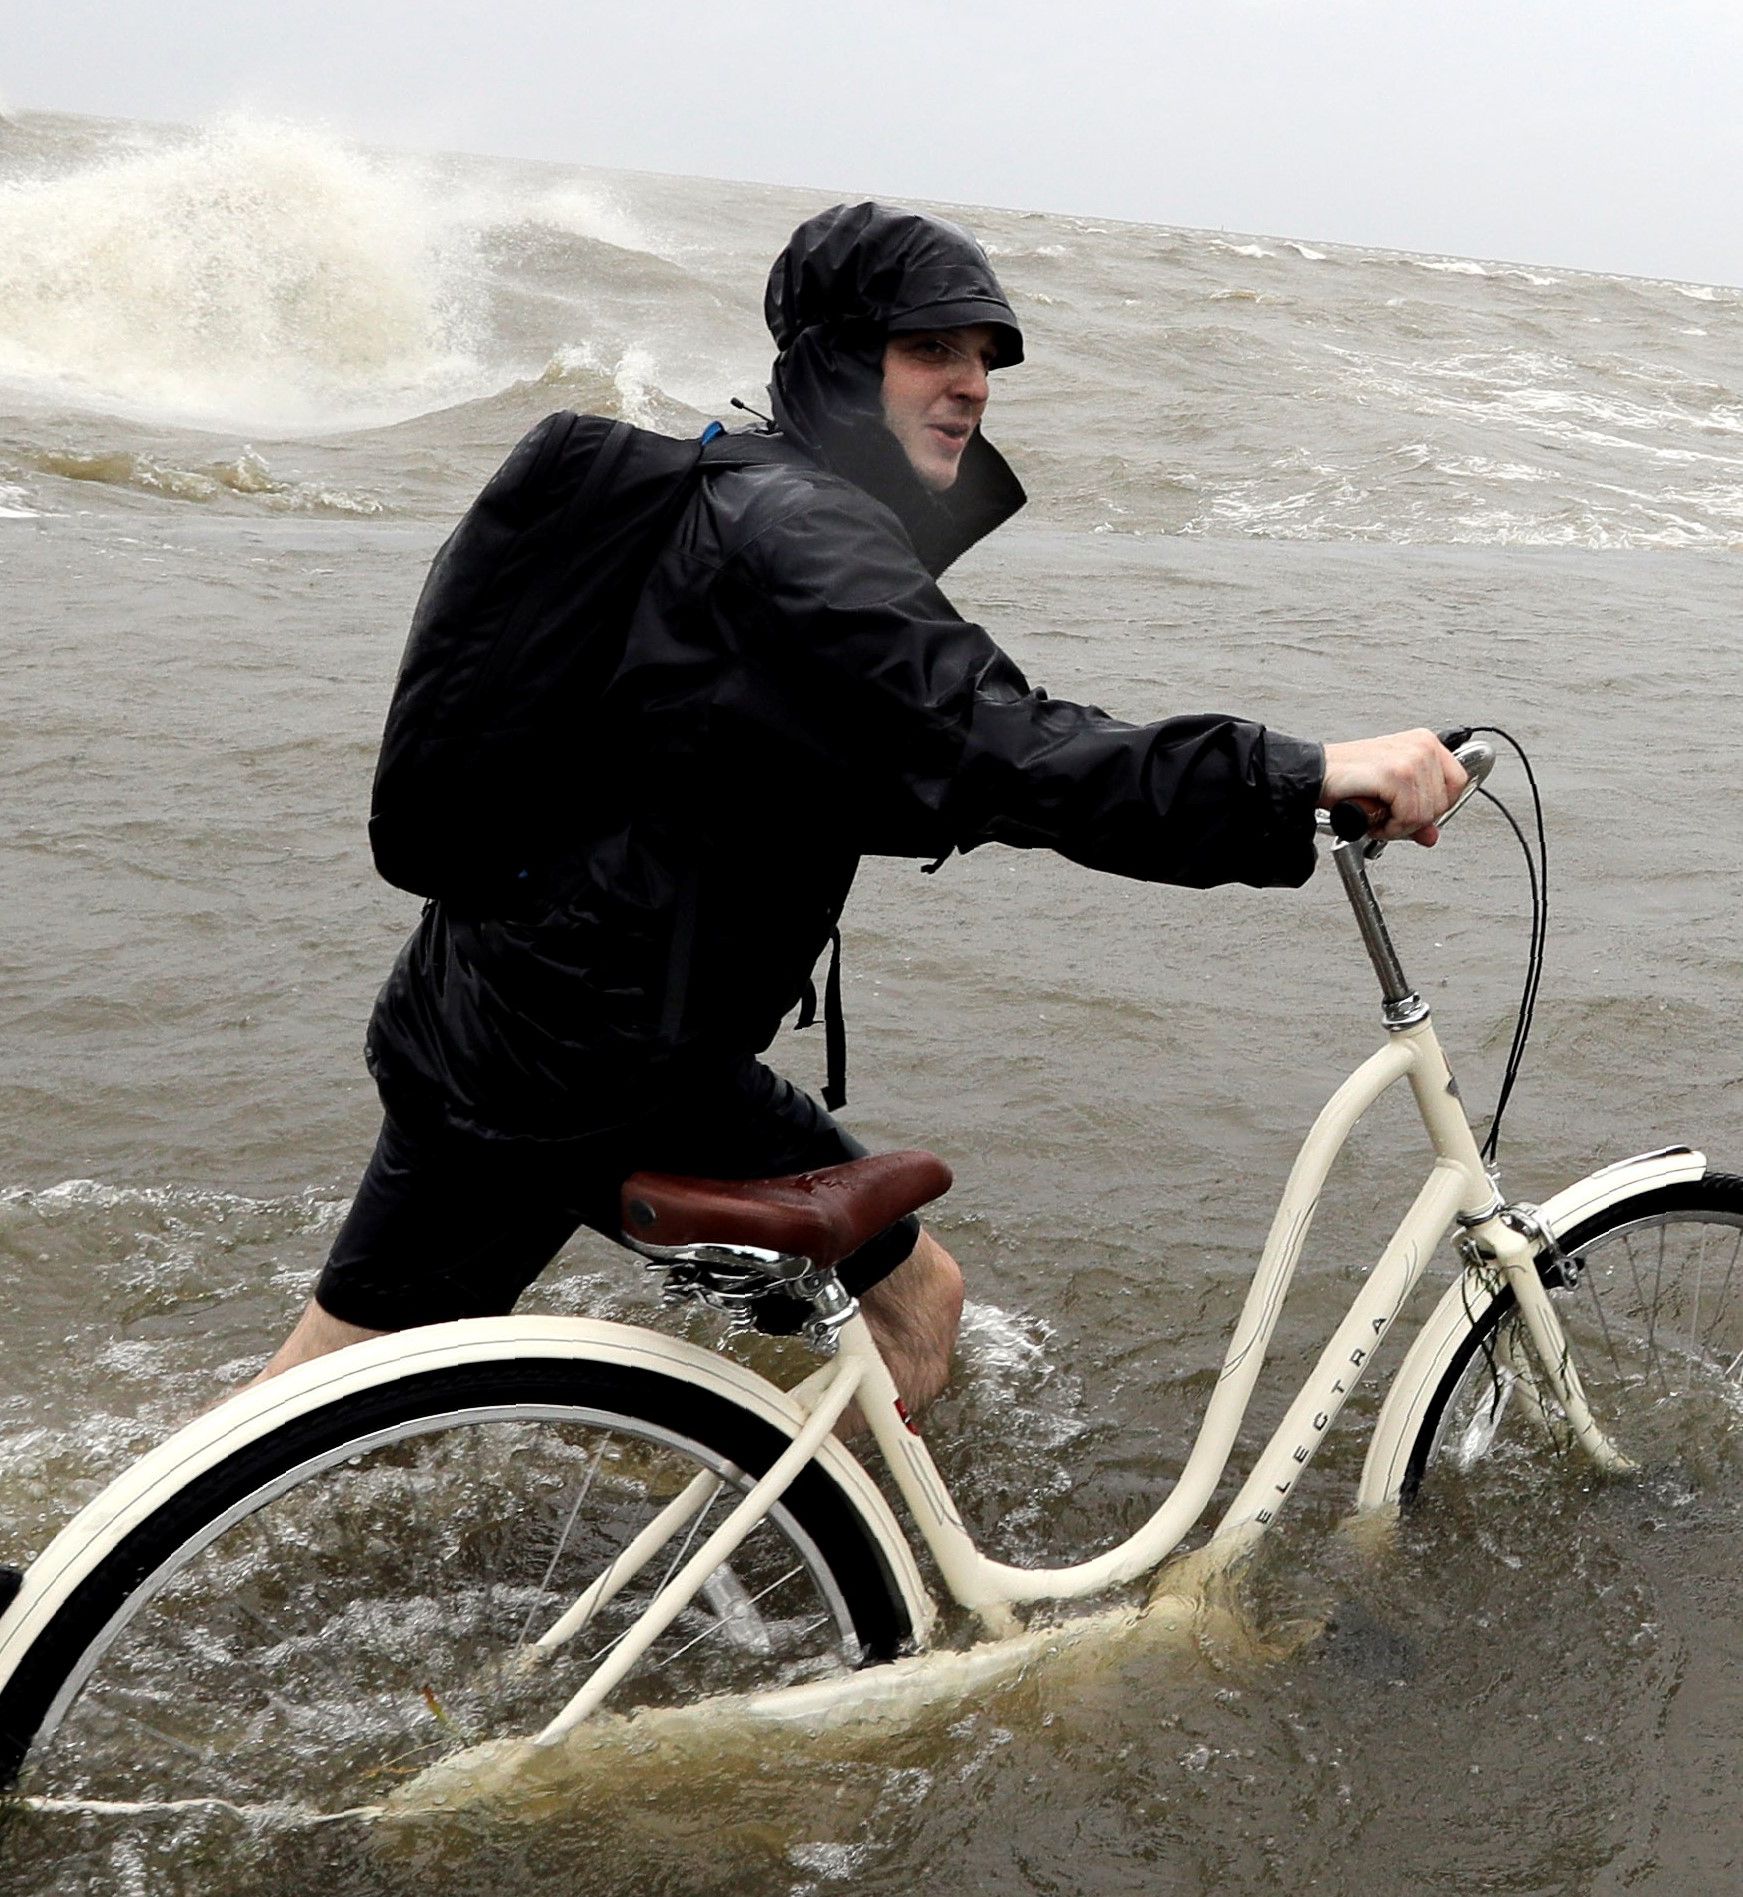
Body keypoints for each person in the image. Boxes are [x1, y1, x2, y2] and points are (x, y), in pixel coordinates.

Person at [253, 201, 1465, 1411]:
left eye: (986, 358)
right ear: (841, 360)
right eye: (932, 349)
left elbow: (830, 760)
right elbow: (1001, 743)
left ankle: (112, 1563)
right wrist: (1295, 770)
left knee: (343, 1374)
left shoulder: (747, 488)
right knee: (913, 1304)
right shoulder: (804, 533)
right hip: (594, 1053)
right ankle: (834, 1590)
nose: (973, 384)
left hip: (502, 1005)